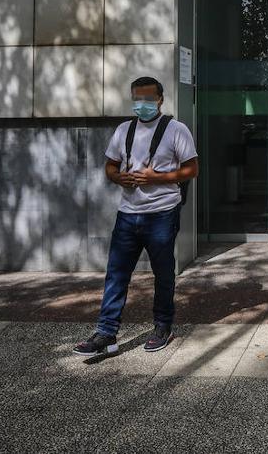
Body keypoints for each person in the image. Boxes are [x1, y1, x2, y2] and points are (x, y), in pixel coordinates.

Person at [74, 77, 199, 356]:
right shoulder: (124, 130)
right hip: (128, 213)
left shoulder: (176, 129)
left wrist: (158, 177)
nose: (141, 105)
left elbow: (192, 169)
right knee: (117, 273)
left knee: (163, 273)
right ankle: (106, 333)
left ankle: (162, 326)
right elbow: (109, 165)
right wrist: (120, 178)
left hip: (162, 212)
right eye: (137, 99)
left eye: (147, 99)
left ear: (160, 100)